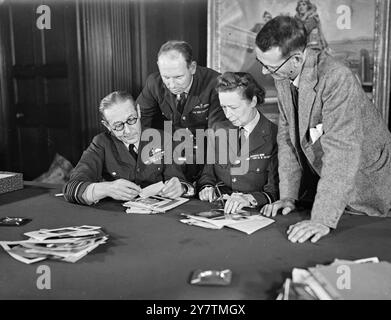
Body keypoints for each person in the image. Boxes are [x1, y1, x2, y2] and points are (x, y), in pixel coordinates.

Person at [254, 16, 391, 243]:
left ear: (297, 59)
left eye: (269, 66)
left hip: (368, 188)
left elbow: (342, 151)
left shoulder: (336, 77)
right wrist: (288, 196)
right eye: (261, 63)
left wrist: (322, 219)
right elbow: (287, 139)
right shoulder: (283, 73)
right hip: (332, 187)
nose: (265, 72)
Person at [63, 91, 192, 205]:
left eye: (131, 119)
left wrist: (180, 187)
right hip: (117, 219)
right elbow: (71, 188)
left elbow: (180, 180)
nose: (128, 131)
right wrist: (107, 188)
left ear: (139, 111)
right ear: (107, 126)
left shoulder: (164, 139)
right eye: (118, 126)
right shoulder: (101, 143)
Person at [136, 40, 226, 183]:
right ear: (159, 67)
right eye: (166, 77)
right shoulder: (154, 82)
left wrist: (207, 181)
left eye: (178, 77)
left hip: (207, 157)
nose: (172, 85)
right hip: (172, 157)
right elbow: (139, 124)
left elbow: (217, 136)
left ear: (192, 68)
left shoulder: (215, 83)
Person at [198, 72, 278, 214]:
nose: (228, 114)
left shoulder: (275, 136)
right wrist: (206, 188)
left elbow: (274, 190)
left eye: (233, 108)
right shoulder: (218, 129)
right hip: (221, 209)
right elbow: (207, 175)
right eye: (224, 107)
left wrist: (249, 199)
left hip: (256, 213)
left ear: (253, 101)